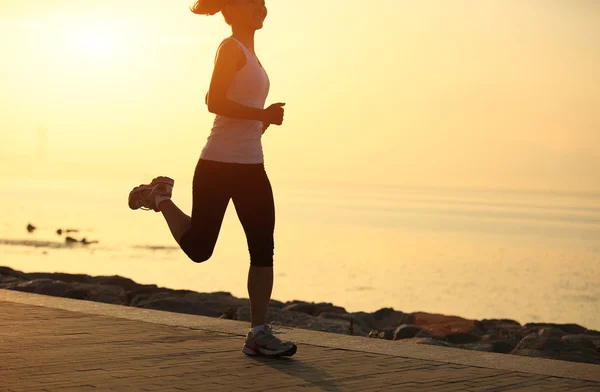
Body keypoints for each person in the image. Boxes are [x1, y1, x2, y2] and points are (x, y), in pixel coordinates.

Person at [127, 0, 296, 357]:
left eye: (263, 4)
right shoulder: (230, 48)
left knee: (263, 247)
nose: (261, 9)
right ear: (233, 10)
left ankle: (258, 333)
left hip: (252, 166)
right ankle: (159, 197)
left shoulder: (252, 55)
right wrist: (261, 113)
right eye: (254, 4)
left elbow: (226, 104)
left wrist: (261, 121)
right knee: (200, 249)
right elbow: (214, 101)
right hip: (217, 164)